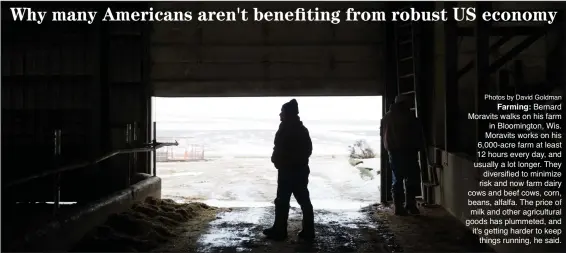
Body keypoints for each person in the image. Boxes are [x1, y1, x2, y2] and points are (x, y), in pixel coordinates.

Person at [263, 99, 315, 241]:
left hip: (292, 171)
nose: (280, 114)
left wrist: (287, 163)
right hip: (293, 171)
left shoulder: (293, 130)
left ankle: (281, 231)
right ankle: (302, 230)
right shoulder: (295, 129)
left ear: (288, 114)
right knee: (295, 200)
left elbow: (305, 151)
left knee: (288, 201)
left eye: (282, 112)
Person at [380, 94, 424, 216]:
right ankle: (410, 205)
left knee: (397, 179)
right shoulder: (408, 117)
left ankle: (398, 207)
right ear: (403, 103)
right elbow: (416, 134)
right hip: (408, 151)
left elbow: (383, 135)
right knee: (412, 178)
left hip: (393, 152)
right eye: (409, 102)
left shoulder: (387, 117)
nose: (411, 105)